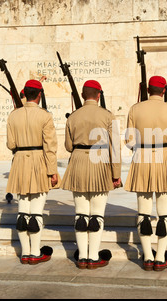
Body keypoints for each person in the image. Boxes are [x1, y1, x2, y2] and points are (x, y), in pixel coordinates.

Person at [124, 76, 167, 271]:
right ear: (164, 90)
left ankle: (147, 257)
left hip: (142, 159)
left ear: (148, 90)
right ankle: (160, 257)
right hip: (166, 159)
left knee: (143, 212)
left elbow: (129, 141)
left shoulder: (135, 109)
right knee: (164, 213)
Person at [61, 80, 121, 269]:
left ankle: (82, 257)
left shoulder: (73, 116)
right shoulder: (108, 116)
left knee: (80, 213)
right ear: (98, 95)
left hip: (78, 161)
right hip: (100, 161)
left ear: (82, 94)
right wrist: (116, 173)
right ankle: (93, 256)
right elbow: (115, 148)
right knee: (97, 213)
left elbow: (68, 146)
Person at [6, 79, 59, 264]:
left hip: (20, 161)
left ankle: (25, 253)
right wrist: (53, 171)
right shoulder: (45, 116)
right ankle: (35, 253)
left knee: (22, 210)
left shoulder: (13, 115)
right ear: (39, 95)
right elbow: (50, 146)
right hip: (39, 161)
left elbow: (10, 144)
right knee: (36, 211)